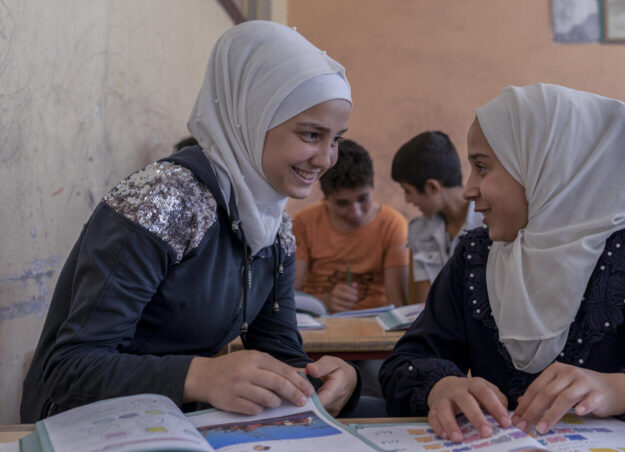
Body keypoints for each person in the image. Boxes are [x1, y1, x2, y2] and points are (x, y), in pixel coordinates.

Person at [379, 84, 625, 443]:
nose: (468, 189)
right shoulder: (476, 257)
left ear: (548, 167)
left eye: (482, 167)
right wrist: (440, 385)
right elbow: (407, 361)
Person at [20, 21, 361, 422]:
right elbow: (69, 370)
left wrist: (330, 380)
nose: (325, 159)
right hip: (83, 432)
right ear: (249, 118)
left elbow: (279, 353)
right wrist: (197, 376)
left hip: (175, 423)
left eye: (336, 139)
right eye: (310, 135)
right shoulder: (161, 200)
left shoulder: (272, 227)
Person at [293, 138, 409, 313]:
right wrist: (325, 300)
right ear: (326, 199)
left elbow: (398, 303)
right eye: (342, 203)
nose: (356, 212)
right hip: (318, 320)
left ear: (372, 188)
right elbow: (288, 294)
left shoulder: (392, 224)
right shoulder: (304, 222)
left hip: (376, 324)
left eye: (363, 199)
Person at [391, 131, 482, 303]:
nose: (408, 200)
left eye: (407, 191)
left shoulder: (489, 223)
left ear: (432, 187)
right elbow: (423, 305)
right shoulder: (419, 230)